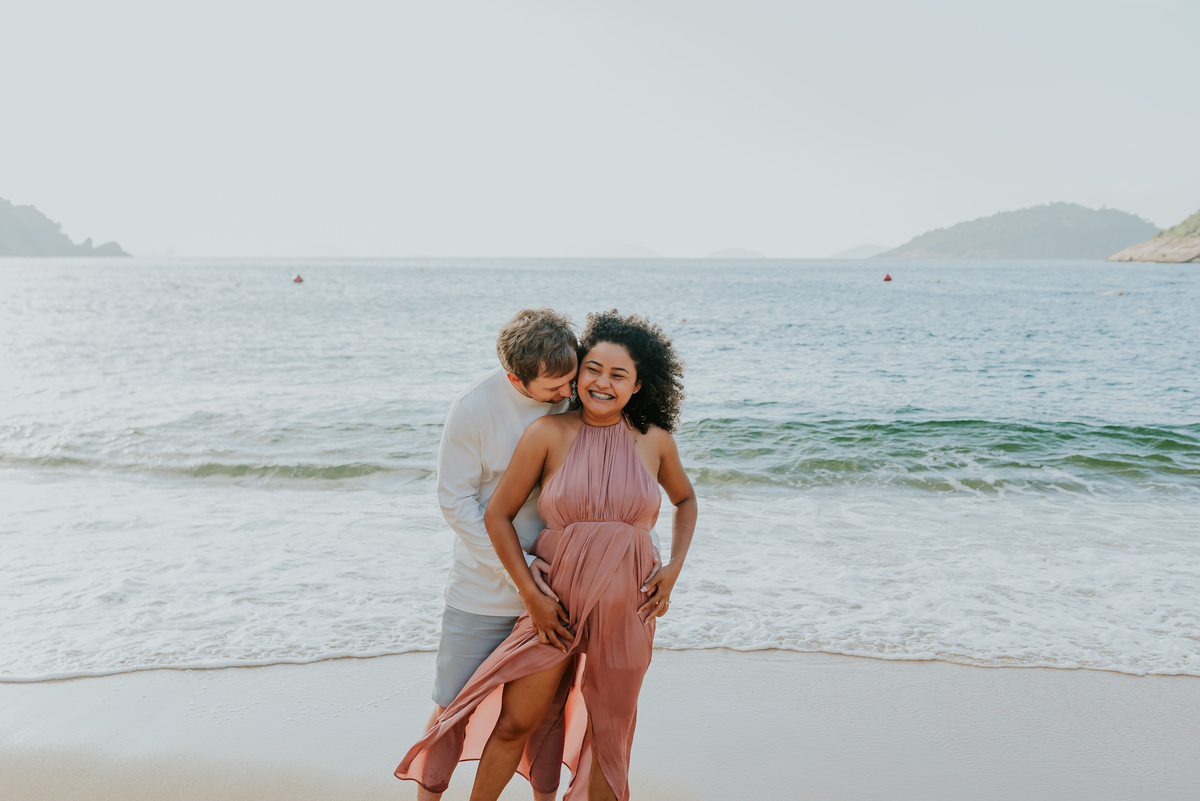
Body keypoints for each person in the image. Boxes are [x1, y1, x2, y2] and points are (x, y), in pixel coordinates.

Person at [397, 310, 697, 801]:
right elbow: (483, 510)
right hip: (549, 596)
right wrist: (530, 592)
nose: (595, 383)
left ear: (639, 385)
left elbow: (685, 501)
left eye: (618, 375)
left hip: (626, 607)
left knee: (609, 733)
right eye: (590, 370)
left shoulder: (655, 440)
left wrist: (672, 570)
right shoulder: (537, 428)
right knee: (502, 716)